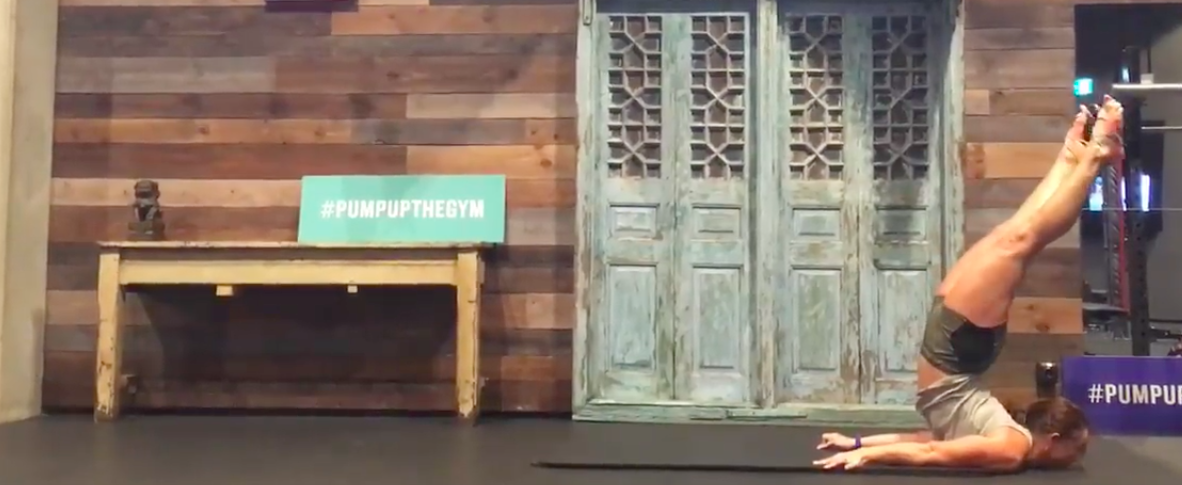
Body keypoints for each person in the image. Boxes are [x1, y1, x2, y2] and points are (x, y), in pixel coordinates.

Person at [813, 95, 1126, 472]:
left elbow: (928, 444)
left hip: (955, 347)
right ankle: (1091, 156)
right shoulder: (1010, 448)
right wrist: (868, 454)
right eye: (1077, 450)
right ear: (1053, 439)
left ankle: (1073, 156)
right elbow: (933, 451)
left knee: (1015, 235)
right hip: (956, 352)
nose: (1076, 457)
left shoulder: (1004, 442)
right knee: (1020, 239)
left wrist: (860, 445)